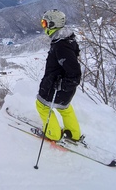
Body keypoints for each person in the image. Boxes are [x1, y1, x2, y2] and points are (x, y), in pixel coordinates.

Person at [36, 9, 81, 142]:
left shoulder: (61, 46)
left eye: (44, 23)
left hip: (55, 87)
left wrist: (61, 84)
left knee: (42, 105)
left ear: (52, 24)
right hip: (65, 89)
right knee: (64, 107)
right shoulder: (66, 41)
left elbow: (75, 73)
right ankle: (74, 134)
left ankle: (52, 134)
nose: (43, 26)